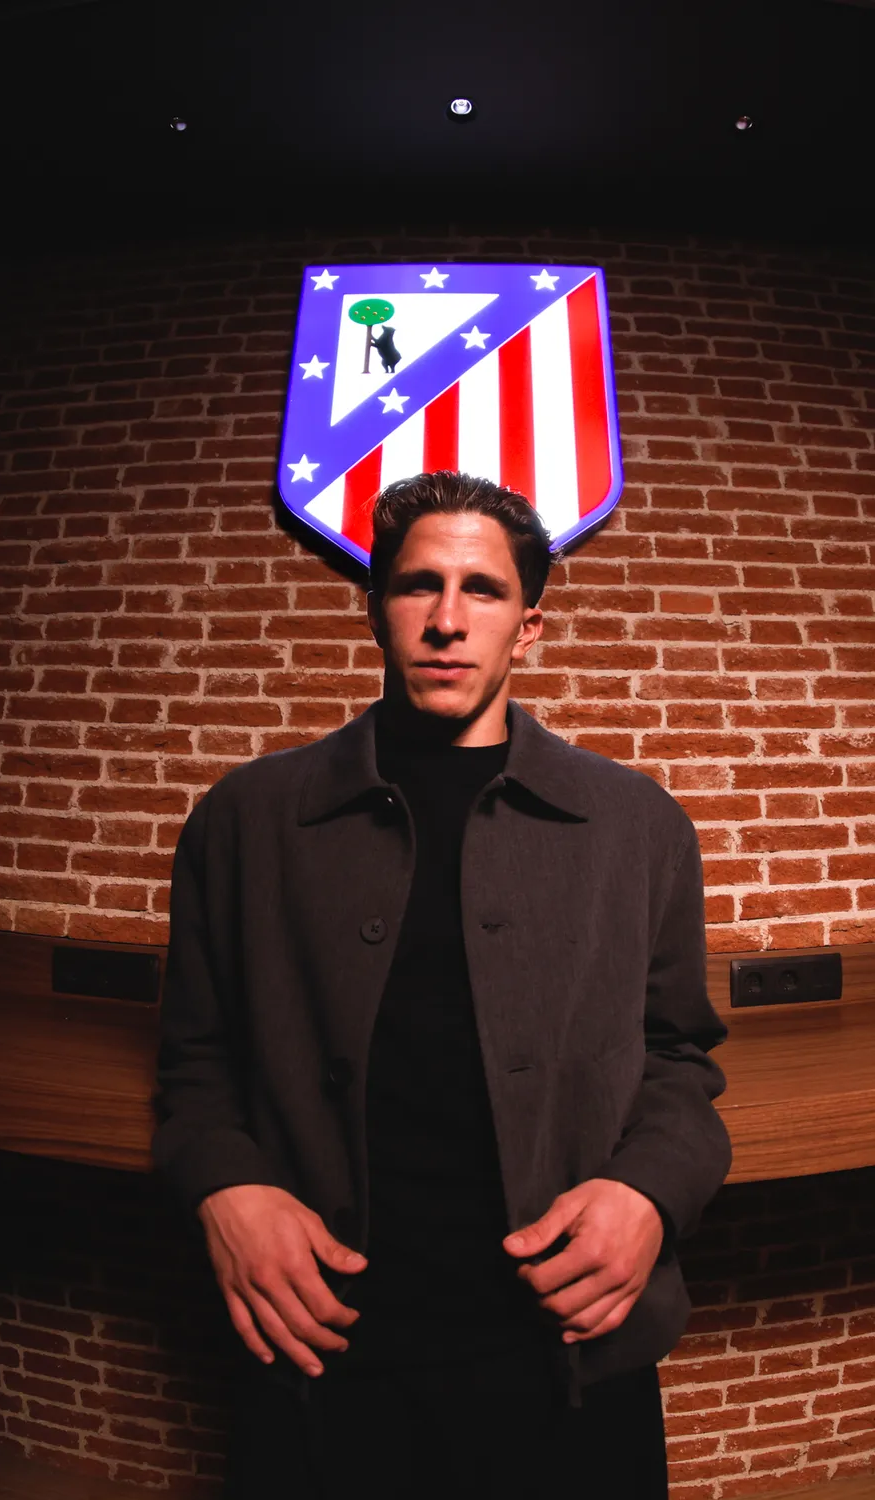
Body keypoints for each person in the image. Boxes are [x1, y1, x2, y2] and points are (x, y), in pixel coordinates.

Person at [151, 470, 732, 1499]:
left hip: (562, 1349)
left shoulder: (639, 824)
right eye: (419, 585)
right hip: (323, 1345)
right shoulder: (242, 820)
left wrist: (650, 1192)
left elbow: (680, 1058)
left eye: (484, 590)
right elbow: (194, 1064)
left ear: (529, 627)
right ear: (375, 608)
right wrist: (224, 1187)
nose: (448, 620)